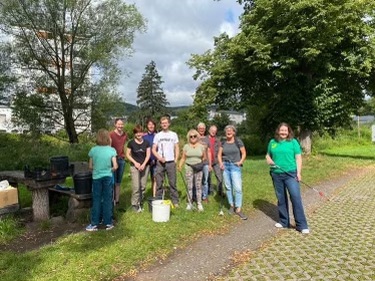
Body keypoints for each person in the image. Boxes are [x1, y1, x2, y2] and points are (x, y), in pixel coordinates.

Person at [265, 122, 310, 234]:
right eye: (281, 130)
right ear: (278, 131)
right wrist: (269, 160)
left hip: (291, 174)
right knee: (281, 198)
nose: (283, 132)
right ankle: (284, 221)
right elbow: (268, 155)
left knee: (295, 197)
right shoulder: (272, 142)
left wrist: (298, 173)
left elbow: (298, 158)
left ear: (289, 131)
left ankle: (301, 225)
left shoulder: (293, 142)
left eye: (285, 130)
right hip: (276, 174)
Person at [86, 129, 118, 231]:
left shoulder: (93, 150)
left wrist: (97, 170)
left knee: (96, 200)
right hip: (108, 177)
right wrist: (110, 170)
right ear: (108, 138)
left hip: (96, 178)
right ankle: (108, 223)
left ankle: (94, 223)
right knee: (108, 199)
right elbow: (116, 166)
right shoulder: (111, 150)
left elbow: (90, 166)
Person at [218, 125, 247, 220]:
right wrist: (221, 163)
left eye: (231, 130)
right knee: (228, 187)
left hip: (235, 166)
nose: (228, 132)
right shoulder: (223, 142)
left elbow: (244, 153)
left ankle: (238, 209)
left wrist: (241, 162)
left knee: (238, 188)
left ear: (234, 132)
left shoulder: (238, 141)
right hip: (226, 166)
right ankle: (231, 205)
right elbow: (219, 155)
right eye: (227, 130)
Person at [152, 116, 180, 206]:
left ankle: (175, 201)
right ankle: (158, 200)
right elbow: (153, 149)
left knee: (172, 183)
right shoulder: (157, 135)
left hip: (171, 162)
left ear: (169, 123)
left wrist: (175, 159)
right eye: (162, 123)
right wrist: (159, 158)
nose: (164, 124)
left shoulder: (173, 134)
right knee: (159, 183)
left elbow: (177, 147)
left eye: (166, 122)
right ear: (160, 124)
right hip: (160, 163)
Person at [178, 129, 207, 211]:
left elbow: (204, 157)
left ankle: (199, 203)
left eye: (194, 136)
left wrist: (200, 163)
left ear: (197, 137)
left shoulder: (201, 147)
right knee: (189, 186)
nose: (193, 137)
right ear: (189, 137)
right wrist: (180, 165)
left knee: (198, 186)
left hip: (198, 168)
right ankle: (189, 203)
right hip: (189, 167)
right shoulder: (186, 146)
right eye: (191, 136)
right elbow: (183, 158)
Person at [126, 125, 151, 212]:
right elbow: (128, 154)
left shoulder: (147, 143)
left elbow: (148, 154)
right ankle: (134, 204)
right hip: (134, 167)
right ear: (134, 134)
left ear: (142, 133)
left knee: (143, 186)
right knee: (136, 186)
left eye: (140, 132)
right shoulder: (131, 143)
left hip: (145, 166)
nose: (138, 134)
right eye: (136, 133)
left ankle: (140, 202)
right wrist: (135, 163)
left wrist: (144, 164)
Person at [110, 118, 127, 205]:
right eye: (119, 124)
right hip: (113, 159)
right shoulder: (111, 135)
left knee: (118, 182)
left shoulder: (124, 135)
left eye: (122, 124)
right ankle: (111, 199)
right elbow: (108, 147)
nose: (120, 126)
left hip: (121, 159)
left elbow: (124, 146)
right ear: (115, 125)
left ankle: (117, 200)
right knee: (113, 180)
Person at [197, 122, 211, 202]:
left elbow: (209, 151)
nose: (201, 130)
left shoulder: (207, 139)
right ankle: (196, 196)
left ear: (205, 129)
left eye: (203, 128)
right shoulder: (194, 137)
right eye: (200, 128)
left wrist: (210, 164)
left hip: (205, 163)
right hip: (197, 162)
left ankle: (204, 196)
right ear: (197, 129)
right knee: (197, 180)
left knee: (205, 180)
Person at [207, 125, 223, 195]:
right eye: (212, 130)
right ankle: (210, 191)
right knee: (208, 177)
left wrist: (221, 161)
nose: (213, 132)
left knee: (219, 177)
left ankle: (220, 191)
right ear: (209, 131)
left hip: (216, 161)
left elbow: (221, 150)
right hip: (208, 161)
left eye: (215, 131)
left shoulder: (218, 140)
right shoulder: (205, 139)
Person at [143, 118, 157, 196]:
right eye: (149, 124)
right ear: (147, 126)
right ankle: (141, 196)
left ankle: (154, 196)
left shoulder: (158, 136)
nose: (151, 126)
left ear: (155, 126)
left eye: (152, 124)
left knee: (154, 179)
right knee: (143, 180)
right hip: (146, 161)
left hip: (155, 161)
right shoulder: (143, 136)